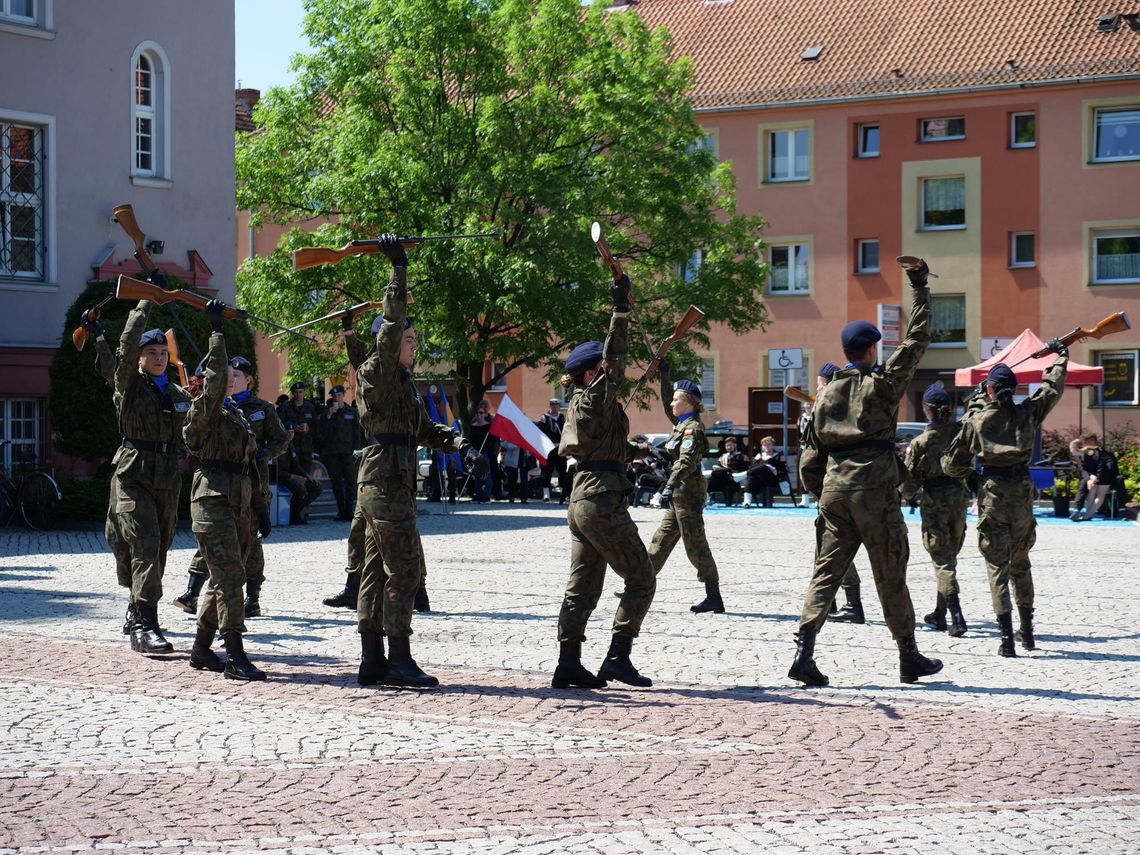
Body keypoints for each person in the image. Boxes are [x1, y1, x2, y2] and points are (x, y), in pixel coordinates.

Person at [790, 259, 943, 686]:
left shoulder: (824, 396)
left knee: (826, 572)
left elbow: (811, 457)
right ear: (872, 350)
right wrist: (919, 285)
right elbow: (917, 338)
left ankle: (804, 651)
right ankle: (908, 656)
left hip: (835, 491)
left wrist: (821, 493)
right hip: (875, 489)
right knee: (890, 571)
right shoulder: (882, 384)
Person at [340, 235, 475, 687]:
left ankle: (372, 659)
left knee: (377, 570)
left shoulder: (401, 383)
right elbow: (391, 323)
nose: (414, 346)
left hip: (393, 481)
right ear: (390, 342)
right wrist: (398, 270)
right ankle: (398, 657)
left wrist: (454, 443)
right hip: (384, 482)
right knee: (406, 569)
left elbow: (418, 430)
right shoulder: (377, 372)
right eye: (409, 340)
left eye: (415, 340)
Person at [551, 271, 657, 691]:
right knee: (641, 577)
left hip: (585, 497)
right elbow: (616, 359)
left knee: (584, 585)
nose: (615, 375)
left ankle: (569, 663)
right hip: (601, 499)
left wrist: (642, 452)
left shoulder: (587, 405)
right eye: (604, 371)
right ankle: (618, 656)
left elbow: (607, 450)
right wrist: (619, 311)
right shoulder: (595, 396)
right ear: (590, 374)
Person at [943, 346, 1069, 657]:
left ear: (988, 389)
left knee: (996, 566)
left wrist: (972, 479)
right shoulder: (1027, 412)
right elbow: (1052, 389)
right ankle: (1027, 633)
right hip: (1022, 493)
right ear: (1014, 390)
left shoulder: (978, 421)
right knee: (1021, 564)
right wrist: (1060, 358)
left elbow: (951, 464)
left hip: (993, 494)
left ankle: (1006, 640)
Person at [88, 302, 191, 655]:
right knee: (143, 544)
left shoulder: (179, 394)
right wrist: (144, 304)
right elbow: (126, 345)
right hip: (132, 474)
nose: (159, 357)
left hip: (167, 478)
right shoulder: (129, 384)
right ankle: (147, 627)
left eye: (163, 352)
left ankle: (136, 609)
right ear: (140, 358)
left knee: (158, 551)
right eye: (151, 352)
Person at [183, 300, 269, 681]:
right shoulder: (202, 411)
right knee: (231, 576)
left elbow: (253, 462)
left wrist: (259, 506)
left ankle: (202, 648)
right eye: (217, 377)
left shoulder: (234, 414)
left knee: (222, 578)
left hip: (239, 501)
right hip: (212, 501)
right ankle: (234, 653)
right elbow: (217, 379)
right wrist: (216, 332)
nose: (225, 380)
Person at [646, 363, 724, 614]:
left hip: (687, 493)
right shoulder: (681, 423)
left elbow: (686, 462)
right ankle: (639, 584)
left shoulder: (692, 428)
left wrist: (668, 487)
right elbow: (666, 399)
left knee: (696, 546)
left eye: (677, 400)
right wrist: (665, 373)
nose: (671, 403)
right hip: (679, 493)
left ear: (689, 402)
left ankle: (714, 596)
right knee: (661, 541)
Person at [901, 383, 970, 638]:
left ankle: (956, 616)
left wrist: (902, 494)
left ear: (926, 411)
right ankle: (940, 614)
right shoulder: (960, 434)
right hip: (959, 497)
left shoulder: (921, 442)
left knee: (942, 561)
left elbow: (909, 483)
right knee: (950, 557)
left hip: (935, 500)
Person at [801, 362, 863, 623]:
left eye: (820, 385)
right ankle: (832, 602)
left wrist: (815, 490)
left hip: (832, 486)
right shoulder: (850, 408)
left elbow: (810, 458)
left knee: (834, 548)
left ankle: (850, 604)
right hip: (849, 485)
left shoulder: (829, 412)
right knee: (826, 548)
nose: (817, 389)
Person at [319, 385, 363, 521]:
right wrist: (329, 414)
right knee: (337, 483)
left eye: (339, 395)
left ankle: (349, 511)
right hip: (332, 453)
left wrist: (356, 449)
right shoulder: (327, 413)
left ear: (343, 395)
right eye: (334, 396)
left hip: (347, 453)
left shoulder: (352, 412)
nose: (337, 398)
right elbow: (320, 430)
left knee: (350, 481)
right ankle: (341, 511)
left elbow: (357, 433)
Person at [1071, 432, 1131, 521]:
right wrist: (1092, 477)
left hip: (1105, 474)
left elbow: (1107, 466)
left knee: (1099, 495)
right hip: (1103, 474)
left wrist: (1096, 478)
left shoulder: (1093, 452)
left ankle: (1087, 515)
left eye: (1084, 442)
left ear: (1089, 441)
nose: (1083, 444)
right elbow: (1079, 456)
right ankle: (1087, 514)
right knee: (1094, 492)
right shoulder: (1097, 451)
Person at [278, 381, 320, 476]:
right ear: (293, 393)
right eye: (296, 392)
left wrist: (308, 428)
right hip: (291, 447)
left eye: (300, 392)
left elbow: (316, 427)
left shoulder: (310, 407)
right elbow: (279, 425)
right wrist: (293, 427)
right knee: (291, 475)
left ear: (304, 392)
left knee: (305, 475)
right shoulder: (285, 407)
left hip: (306, 448)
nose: (298, 395)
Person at [536, 398, 569, 503]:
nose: (555, 408)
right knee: (546, 471)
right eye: (553, 406)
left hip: (559, 448)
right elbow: (539, 433)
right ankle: (546, 495)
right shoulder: (544, 417)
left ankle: (564, 494)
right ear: (549, 406)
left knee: (562, 471)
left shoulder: (562, 418)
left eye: (557, 406)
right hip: (549, 448)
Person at [467, 400, 498, 502]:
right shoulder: (473, 425)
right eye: (477, 413)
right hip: (475, 453)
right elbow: (470, 439)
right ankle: (478, 495)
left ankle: (487, 496)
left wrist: (493, 451)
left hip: (485, 453)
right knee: (477, 475)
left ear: (485, 414)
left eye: (481, 413)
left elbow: (493, 441)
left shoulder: (489, 426)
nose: (478, 414)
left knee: (487, 475)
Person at [744, 436, 788, 508]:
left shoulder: (779, 456)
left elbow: (784, 472)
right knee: (751, 478)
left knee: (764, 466)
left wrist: (776, 472)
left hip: (772, 480)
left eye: (769, 444)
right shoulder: (758, 456)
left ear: (773, 445)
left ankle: (744, 474)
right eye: (764, 445)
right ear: (762, 447)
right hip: (759, 481)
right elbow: (752, 468)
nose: (766, 446)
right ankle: (747, 503)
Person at [706, 436, 748, 506]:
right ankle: (705, 501)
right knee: (709, 481)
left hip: (735, 480)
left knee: (716, 474)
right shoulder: (722, 457)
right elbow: (720, 467)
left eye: (730, 445)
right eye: (727, 446)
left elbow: (739, 470)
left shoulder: (742, 457)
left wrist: (724, 470)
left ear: (735, 445)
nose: (728, 447)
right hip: (722, 479)